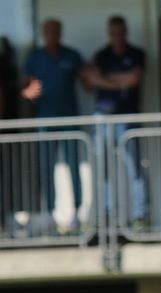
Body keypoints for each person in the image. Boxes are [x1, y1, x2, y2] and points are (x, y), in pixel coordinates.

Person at [22, 19, 88, 229]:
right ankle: (50, 213)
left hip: (70, 120)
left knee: (73, 165)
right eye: (48, 31)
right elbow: (25, 86)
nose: (52, 35)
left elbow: (88, 80)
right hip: (45, 120)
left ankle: (77, 213)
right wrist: (28, 92)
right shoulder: (35, 57)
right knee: (46, 167)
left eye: (55, 31)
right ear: (43, 33)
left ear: (60, 33)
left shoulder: (71, 55)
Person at [90, 15, 148, 229]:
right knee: (103, 168)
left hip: (127, 116)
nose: (117, 36)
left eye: (120, 32)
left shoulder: (136, 54)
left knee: (134, 166)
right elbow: (92, 79)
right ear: (109, 33)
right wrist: (120, 81)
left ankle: (140, 214)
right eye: (114, 33)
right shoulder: (101, 55)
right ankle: (107, 214)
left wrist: (106, 79)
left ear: (126, 32)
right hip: (103, 116)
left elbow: (134, 79)